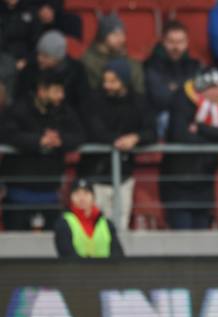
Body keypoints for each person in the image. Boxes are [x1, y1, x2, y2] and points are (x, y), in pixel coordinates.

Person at [0, 69, 84, 230]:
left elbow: (79, 135)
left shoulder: (64, 111)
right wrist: (38, 140)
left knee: (52, 240)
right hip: (18, 191)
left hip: (50, 191)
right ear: (42, 91)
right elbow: (8, 134)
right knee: (16, 239)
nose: (61, 96)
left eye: (62, 91)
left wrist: (60, 140)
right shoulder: (19, 109)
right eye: (56, 91)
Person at [77, 59, 156, 229]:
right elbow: (92, 130)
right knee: (95, 228)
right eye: (106, 81)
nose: (107, 85)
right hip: (95, 175)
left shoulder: (138, 101)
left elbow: (151, 131)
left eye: (113, 81)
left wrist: (135, 138)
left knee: (121, 226)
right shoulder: (93, 100)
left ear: (124, 81)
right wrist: (118, 140)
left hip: (124, 177)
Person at [161, 68, 218, 229]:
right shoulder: (181, 101)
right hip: (178, 183)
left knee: (203, 234)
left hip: (205, 184)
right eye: (215, 87)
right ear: (203, 89)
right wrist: (216, 138)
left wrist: (202, 128)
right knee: (182, 234)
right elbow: (181, 136)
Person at [144, 20, 202, 139]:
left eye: (180, 42)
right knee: (167, 118)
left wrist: (175, 88)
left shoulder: (195, 65)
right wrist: (185, 88)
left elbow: (200, 96)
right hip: (162, 117)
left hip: (189, 115)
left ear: (187, 42)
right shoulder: (151, 65)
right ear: (163, 41)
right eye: (171, 42)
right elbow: (161, 99)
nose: (176, 47)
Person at [14, 29, 89, 108]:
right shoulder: (30, 68)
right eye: (39, 54)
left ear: (58, 58)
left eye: (46, 56)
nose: (40, 59)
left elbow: (83, 100)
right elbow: (19, 97)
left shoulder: (76, 71)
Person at [54, 178, 124, 258]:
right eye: (77, 194)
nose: (81, 198)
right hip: (76, 266)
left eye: (86, 193)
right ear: (71, 197)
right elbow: (67, 254)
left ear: (93, 197)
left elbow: (117, 254)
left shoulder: (107, 224)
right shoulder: (63, 223)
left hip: (105, 266)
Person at [81, 13, 144, 96]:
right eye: (115, 34)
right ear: (103, 36)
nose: (121, 39)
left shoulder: (130, 61)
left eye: (122, 34)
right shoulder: (88, 61)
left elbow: (139, 92)